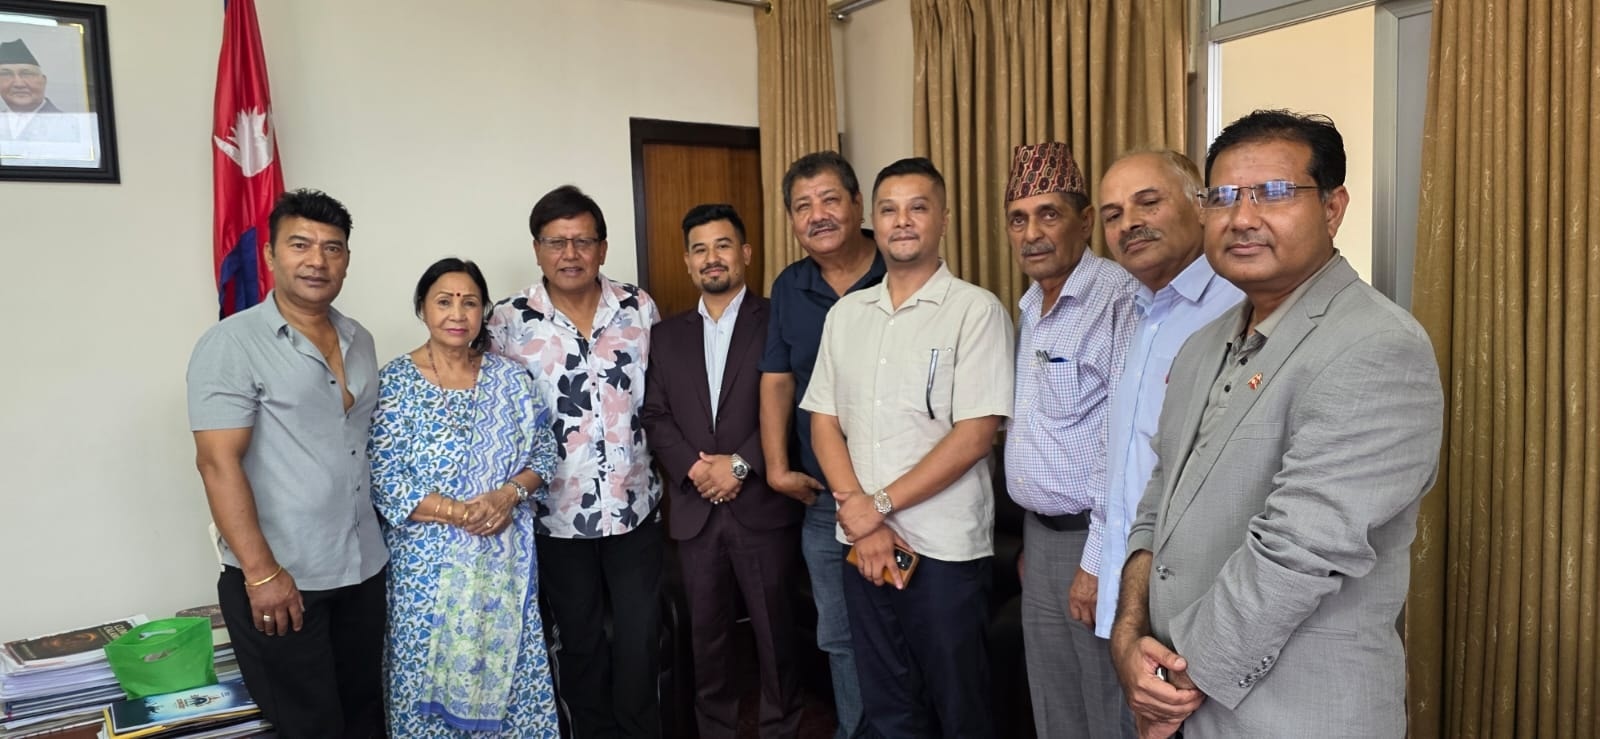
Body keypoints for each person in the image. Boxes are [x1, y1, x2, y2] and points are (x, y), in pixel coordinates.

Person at [1110, 110, 1444, 737]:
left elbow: (1298, 552)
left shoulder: (1376, 346)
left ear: (1333, 208)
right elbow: (1156, 506)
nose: (1242, 218)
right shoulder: (1201, 346)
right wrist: (1127, 635)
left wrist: (1171, 684)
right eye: (1223, 197)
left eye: (1274, 193)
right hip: (1179, 697)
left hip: (1293, 713)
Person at [803, 157, 1014, 738]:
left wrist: (878, 507)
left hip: (944, 549)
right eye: (889, 210)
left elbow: (973, 436)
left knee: (959, 706)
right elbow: (824, 421)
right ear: (872, 221)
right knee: (887, 704)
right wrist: (861, 516)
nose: (902, 221)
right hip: (863, 546)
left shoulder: (976, 311)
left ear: (943, 218)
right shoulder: (847, 315)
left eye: (917, 208)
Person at [186, 189, 387, 738]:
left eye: (332, 248)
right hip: (283, 577)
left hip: (363, 567)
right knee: (310, 726)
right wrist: (262, 574)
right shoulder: (231, 344)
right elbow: (217, 464)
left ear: (346, 259)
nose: (317, 260)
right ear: (271, 255)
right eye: (300, 245)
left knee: (366, 715)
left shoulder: (360, 338)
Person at [486, 185, 663, 738]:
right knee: (579, 644)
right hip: (554, 517)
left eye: (583, 241)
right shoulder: (507, 320)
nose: (570, 254)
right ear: (537, 249)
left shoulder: (638, 307)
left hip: (635, 509)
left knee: (641, 639)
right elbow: (495, 415)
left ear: (603, 248)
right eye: (556, 242)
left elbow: (662, 399)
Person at [369, 258, 561, 737]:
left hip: (504, 567)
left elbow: (544, 454)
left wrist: (507, 496)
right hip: (426, 573)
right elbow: (384, 477)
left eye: (470, 302)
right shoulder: (395, 382)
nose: (457, 313)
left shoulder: (511, 379)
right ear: (422, 308)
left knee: (512, 687)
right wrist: (460, 513)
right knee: (423, 684)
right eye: (444, 301)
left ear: (484, 312)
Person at [642, 204, 804, 738]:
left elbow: (795, 402)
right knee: (706, 639)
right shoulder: (666, 336)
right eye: (700, 249)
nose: (712, 258)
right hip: (696, 510)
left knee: (776, 633)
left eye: (723, 245)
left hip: (761, 504)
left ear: (746, 253)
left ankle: (781, 728)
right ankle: (716, 729)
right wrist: (695, 469)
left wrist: (739, 465)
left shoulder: (777, 318)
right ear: (688, 262)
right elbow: (656, 415)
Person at [999, 141, 1140, 738]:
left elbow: (1131, 445)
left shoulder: (1120, 300)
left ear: (1084, 222)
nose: (1032, 233)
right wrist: (1034, 537)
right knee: (1053, 705)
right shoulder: (1030, 305)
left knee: (1106, 709)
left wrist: (1095, 561)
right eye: (1018, 219)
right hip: (1043, 538)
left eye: (1048, 215)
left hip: (1096, 539)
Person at [1092, 149, 1242, 666]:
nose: (1129, 223)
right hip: (1138, 591)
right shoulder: (1143, 311)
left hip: (1205, 604)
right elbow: (1132, 465)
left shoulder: (1237, 306)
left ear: (1201, 205)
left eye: (1148, 202)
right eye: (1113, 215)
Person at [758, 150, 885, 739]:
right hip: (825, 503)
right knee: (838, 635)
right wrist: (777, 466)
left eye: (830, 199)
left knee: (905, 628)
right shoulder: (790, 286)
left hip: (902, 496)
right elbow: (778, 379)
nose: (818, 215)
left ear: (857, 204)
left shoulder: (899, 266)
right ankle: (854, 730)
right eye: (803, 206)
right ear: (791, 220)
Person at [0, 38, 80, 150]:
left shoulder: (72, 125)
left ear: (43, 81)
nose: (18, 84)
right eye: (6, 74)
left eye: (27, 74)